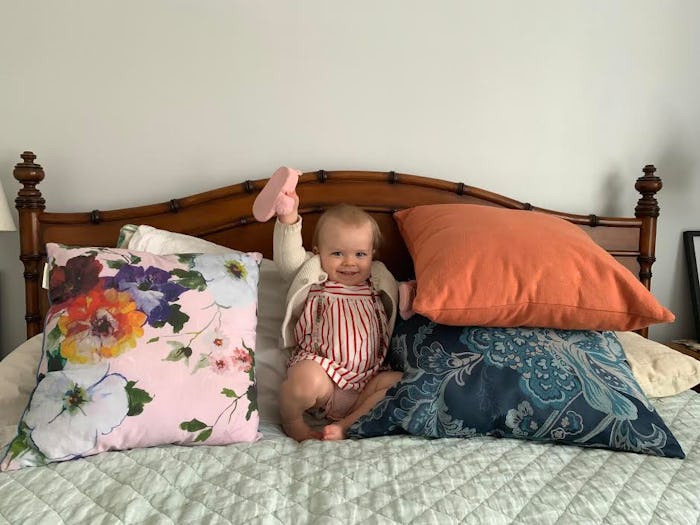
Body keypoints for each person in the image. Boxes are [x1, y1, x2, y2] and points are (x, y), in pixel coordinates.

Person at [264, 172, 400, 441]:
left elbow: (403, 301)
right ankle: (294, 424)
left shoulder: (378, 280)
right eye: (337, 253)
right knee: (303, 382)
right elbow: (288, 259)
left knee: (397, 383)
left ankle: (344, 426)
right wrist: (288, 218)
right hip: (322, 371)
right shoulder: (315, 276)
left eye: (360, 254)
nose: (349, 262)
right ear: (317, 252)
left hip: (368, 377)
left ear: (372, 254)